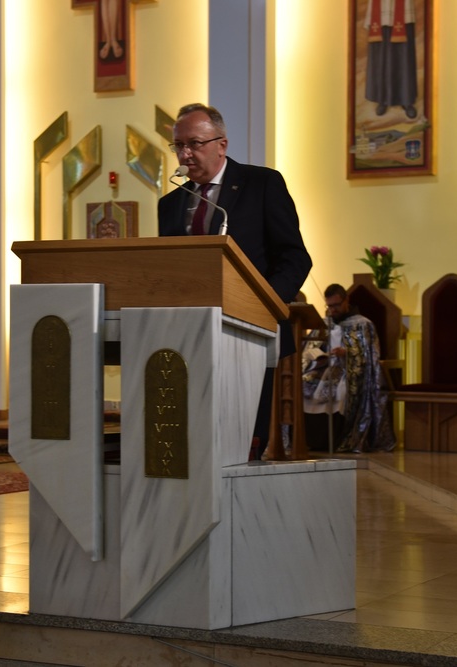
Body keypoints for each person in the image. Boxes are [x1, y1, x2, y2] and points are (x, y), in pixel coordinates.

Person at [158, 103, 312, 459]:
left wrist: (265, 304)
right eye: (178, 146)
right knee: (194, 443)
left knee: (243, 443)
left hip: (248, 332)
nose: (185, 154)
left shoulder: (262, 184)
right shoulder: (170, 204)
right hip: (187, 336)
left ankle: (242, 505)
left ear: (221, 144)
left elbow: (294, 257)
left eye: (194, 144)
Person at [302, 284, 395, 453]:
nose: (333, 310)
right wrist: (319, 355)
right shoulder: (322, 323)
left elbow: (370, 356)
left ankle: (341, 440)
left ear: (346, 301)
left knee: (342, 392)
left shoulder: (363, 324)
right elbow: (308, 348)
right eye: (329, 306)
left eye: (336, 305)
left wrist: (347, 353)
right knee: (304, 386)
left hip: (349, 370)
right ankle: (313, 441)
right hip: (324, 368)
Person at [363, 0, 419, 119]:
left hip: (403, 14)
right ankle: (382, 99)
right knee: (381, 59)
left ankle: (406, 99)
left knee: (404, 59)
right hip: (380, 16)